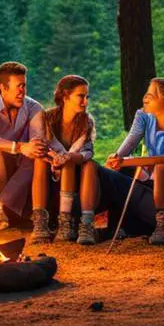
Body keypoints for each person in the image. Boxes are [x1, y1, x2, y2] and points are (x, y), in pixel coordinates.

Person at [88, 78, 164, 246]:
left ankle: (162, 224)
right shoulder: (143, 114)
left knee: (160, 167)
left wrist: (136, 161)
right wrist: (117, 158)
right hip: (147, 173)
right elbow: (132, 140)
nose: (145, 98)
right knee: (119, 171)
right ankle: (116, 227)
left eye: (150, 95)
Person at [0, 61, 47, 232]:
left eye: (24, 86)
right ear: (3, 88)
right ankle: (4, 210)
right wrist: (18, 147)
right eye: (18, 86)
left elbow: (38, 141)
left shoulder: (34, 107)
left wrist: (29, 148)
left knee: (35, 154)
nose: (22, 91)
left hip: (21, 164)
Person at [30, 75, 97, 243]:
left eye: (86, 97)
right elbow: (38, 145)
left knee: (82, 163)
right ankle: (39, 224)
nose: (85, 101)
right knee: (39, 160)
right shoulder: (46, 118)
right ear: (65, 96)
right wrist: (53, 158)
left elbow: (88, 152)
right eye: (81, 96)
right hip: (50, 169)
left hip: (76, 171)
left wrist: (69, 157)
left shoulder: (87, 122)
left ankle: (70, 224)